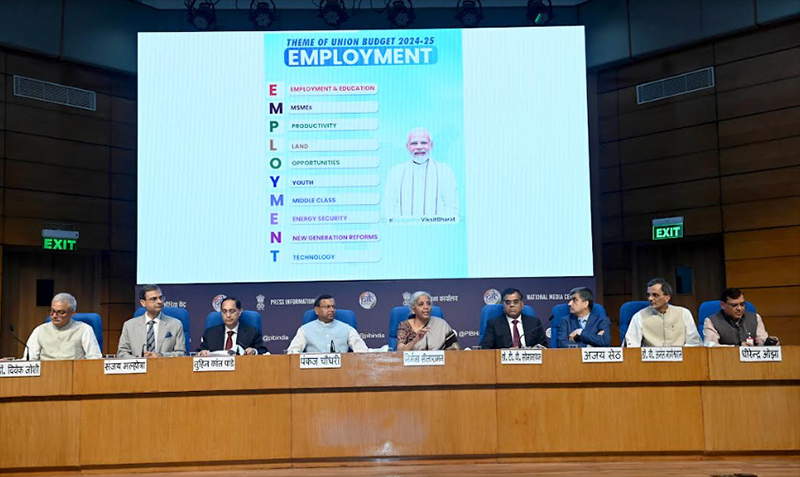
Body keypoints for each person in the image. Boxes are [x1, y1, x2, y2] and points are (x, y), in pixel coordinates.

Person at [383, 128, 459, 219]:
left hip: (437, 228)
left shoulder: (445, 171)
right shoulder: (396, 172)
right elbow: (388, 208)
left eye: (423, 143)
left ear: (431, 145)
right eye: (414, 143)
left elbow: (452, 208)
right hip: (403, 228)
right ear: (407, 146)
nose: (419, 147)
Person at [625, 278, 702, 347]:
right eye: (648, 295)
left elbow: (694, 342)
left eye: (655, 295)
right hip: (651, 358)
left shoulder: (684, 313)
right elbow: (632, 345)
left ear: (667, 298)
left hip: (681, 357)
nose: (650, 298)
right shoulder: (639, 316)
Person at [24, 293, 102, 360]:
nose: (54, 316)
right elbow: (29, 359)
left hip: (75, 371)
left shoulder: (84, 329)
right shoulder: (39, 330)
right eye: (52, 311)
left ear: (72, 313)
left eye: (61, 312)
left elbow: (94, 358)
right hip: (46, 371)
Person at [117, 284, 186, 358]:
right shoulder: (129, 326)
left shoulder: (175, 324)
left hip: (165, 365)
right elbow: (122, 353)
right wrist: (140, 361)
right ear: (143, 303)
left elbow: (181, 354)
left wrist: (161, 356)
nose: (159, 301)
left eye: (161, 298)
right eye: (154, 299)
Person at [286, 295, 368, 353]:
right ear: (317, 310)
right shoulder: (304, 330)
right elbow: (292, 352)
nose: (332, 310)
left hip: (342, 370)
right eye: (327, 307)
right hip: (313, 371)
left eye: (333, 307)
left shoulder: (347, 329)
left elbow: (362, 351)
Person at [703, 288, 778, 347]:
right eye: (734, 305)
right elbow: (710, 345)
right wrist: (737, 347)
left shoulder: (755, 318)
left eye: (742, 304)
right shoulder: (711, 321)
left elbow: (761, 340)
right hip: (725, 359)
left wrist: (769, 343)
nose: (739, 308)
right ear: (722, 305)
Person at [480, 288, 547, 349]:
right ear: (503, 305)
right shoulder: (494, 324)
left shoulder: (534, 323)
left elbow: (545, 348)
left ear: (522, 304)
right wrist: (507, 351)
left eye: (516, 302)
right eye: (508, 302)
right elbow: (485, 348)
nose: (512, 305)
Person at [199, 297, 268, 355]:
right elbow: (199, 351)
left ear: (240, 311)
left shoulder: (252, 332)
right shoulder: (210, 333)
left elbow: (263, 351)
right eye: (224, 311)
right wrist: (202, 353)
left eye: (232, 311)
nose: (228, 315)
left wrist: (254, 351)